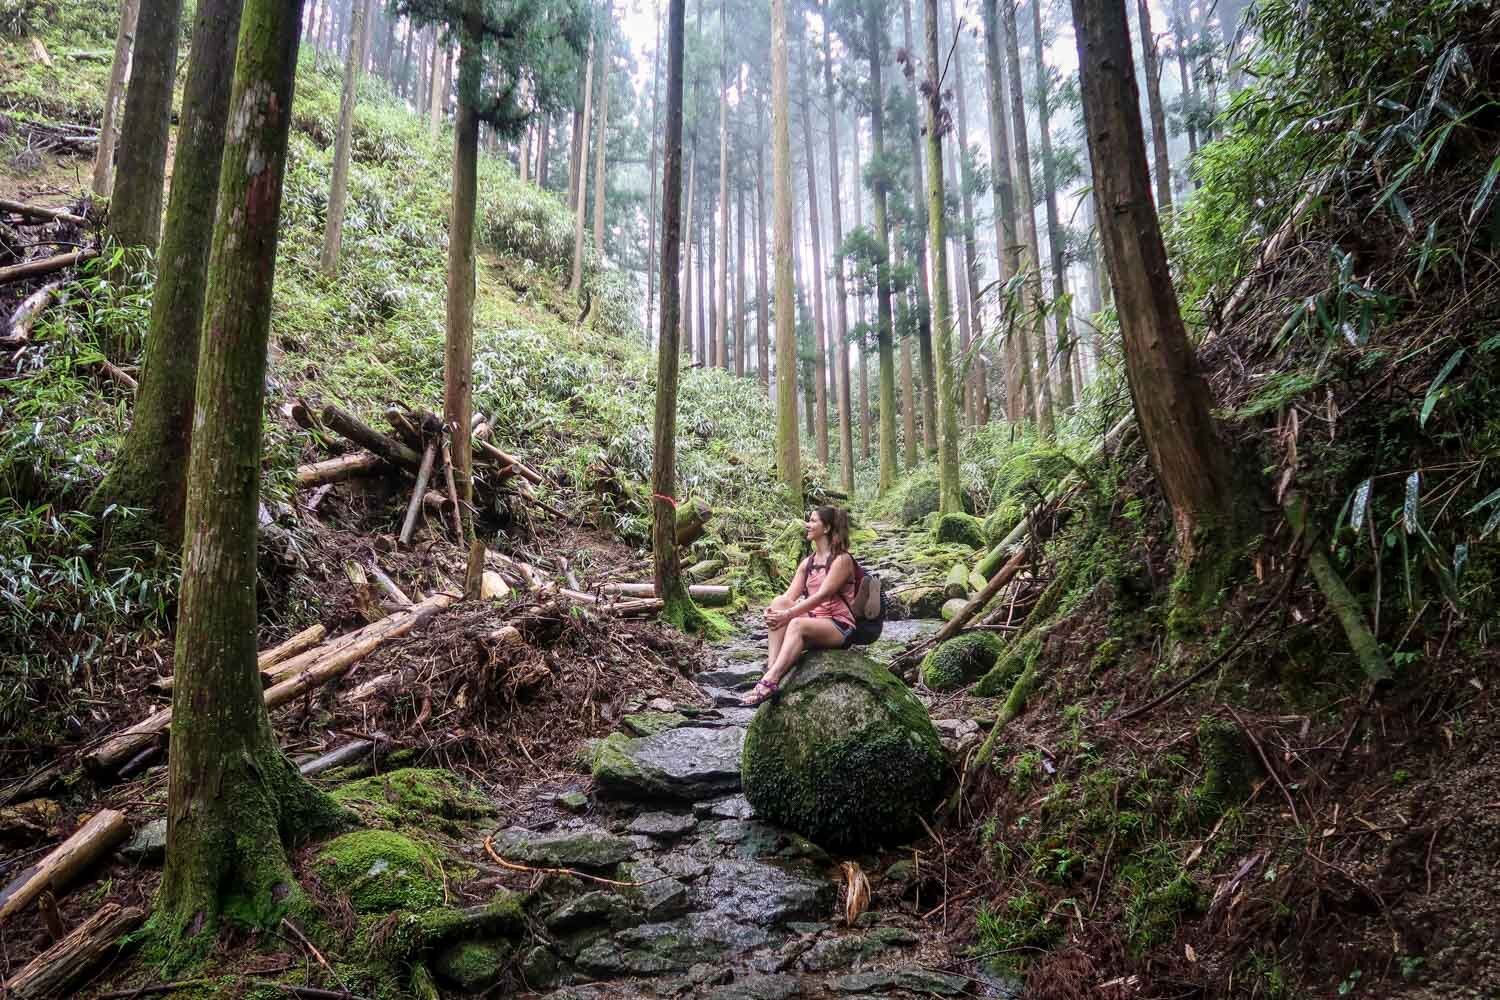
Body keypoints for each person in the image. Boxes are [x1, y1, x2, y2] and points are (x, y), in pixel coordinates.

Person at [741, 505, 858, 707]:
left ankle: (771, 679)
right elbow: (789, 597)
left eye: (813, 521)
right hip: (815, 620)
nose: (807, 525)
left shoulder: (842, 560)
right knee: (778, 601)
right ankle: (772, 669)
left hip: (838, 626)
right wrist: (772, 612)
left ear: (827, 528)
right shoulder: (807, 563)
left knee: (796, 624)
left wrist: (788, 616)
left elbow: (823, 595)